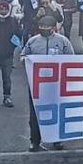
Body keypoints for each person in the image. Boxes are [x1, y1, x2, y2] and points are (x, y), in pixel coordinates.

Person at [20, 16, 74, 152]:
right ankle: (34, 141)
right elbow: (23, 56)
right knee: (35, 114)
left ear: (54, 27)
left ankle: (57, 139)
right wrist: (25, 60)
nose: (43, 29)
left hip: (56, 84)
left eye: (47, 26)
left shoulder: (63, 41)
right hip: (36, 84)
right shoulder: (32, 41)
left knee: (56, 111)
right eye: (41, 26)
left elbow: (71, 59)